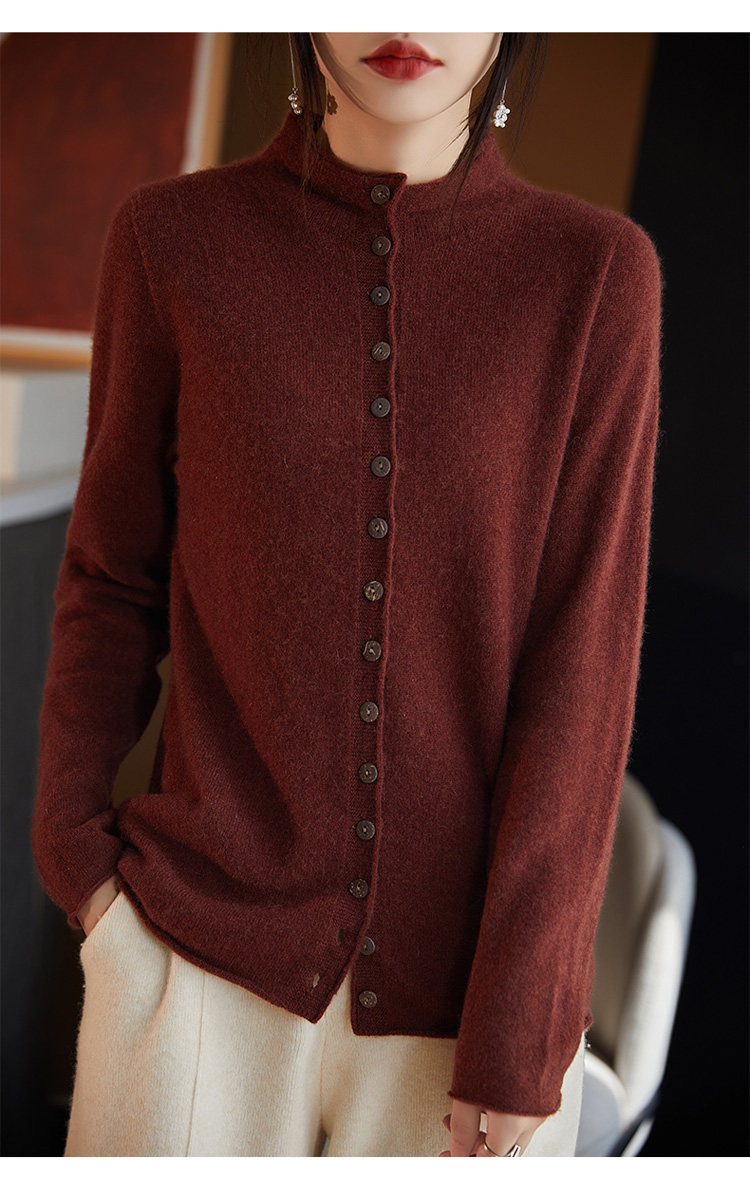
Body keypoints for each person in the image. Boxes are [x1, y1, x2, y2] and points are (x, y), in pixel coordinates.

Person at [31, 32, 663, 1157]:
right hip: (188, 978)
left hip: (464, 1027)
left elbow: (583, 674)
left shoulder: (595, 279)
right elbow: (110, 577)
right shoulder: (174, 242)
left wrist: (524, 1019)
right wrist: (81, 867)